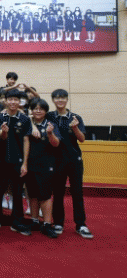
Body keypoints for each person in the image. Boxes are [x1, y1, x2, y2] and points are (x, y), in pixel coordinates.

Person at [47, 89, 93, 239]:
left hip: (74, 160)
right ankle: (58, 223)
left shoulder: (76, 117)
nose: (60, 100)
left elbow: (82, 139)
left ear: (67, 100)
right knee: (58, 193)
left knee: (77, 193)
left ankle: (81, 224)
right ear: (53, 100)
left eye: (63, 98)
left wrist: (75, 128)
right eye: (57, 98)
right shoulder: (49, 116)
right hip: (57, 160)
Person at [0, 89, 32, 235]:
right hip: (2, 161)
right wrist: (4, 132)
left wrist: (25, 163)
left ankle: (17, 221)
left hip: (18, 162)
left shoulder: (25, 119)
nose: (13, 102)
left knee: (17, 192)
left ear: (19, 102)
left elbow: (26, 140)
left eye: (16, 99)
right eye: (10, 99)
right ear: (6, 101)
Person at [27, 99, 60, 239]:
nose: (38, 111)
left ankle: (47, 224)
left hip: (46, 166)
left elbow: (56, 144)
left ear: (46, 111)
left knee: (45, 196)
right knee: (33, 195)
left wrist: (50, 133)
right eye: (35, 108)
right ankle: (35, 221)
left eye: (41, 109)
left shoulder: (51, 124)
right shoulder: (28, 123)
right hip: (30, 165)